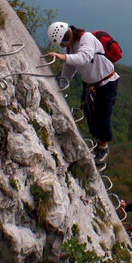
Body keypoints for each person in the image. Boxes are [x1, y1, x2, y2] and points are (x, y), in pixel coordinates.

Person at [46, 22, 119, 172]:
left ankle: (103, 147)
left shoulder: (86, 38)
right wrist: (60, 87)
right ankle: (98, 142)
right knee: (90, 114)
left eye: (65, 38)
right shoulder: (71, 47)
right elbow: (69, 68)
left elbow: (84, 58)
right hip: (92, 85)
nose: (65, 41)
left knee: (103, 116)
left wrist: (62, 56)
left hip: (106, 83)